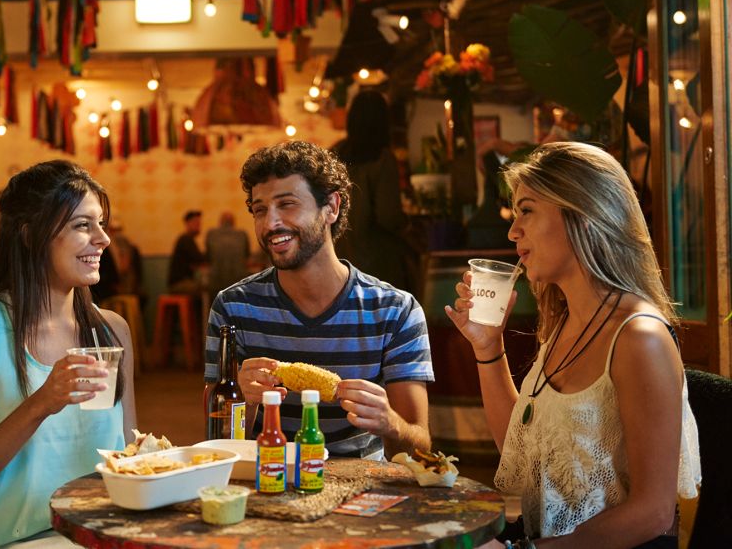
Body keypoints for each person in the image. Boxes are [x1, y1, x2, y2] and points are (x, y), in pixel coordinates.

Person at [444, 142, 700, 548]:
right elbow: (522, 444)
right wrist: (487, 347)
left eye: (526, 209)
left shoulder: (638, 339)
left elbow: (653, 512)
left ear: (582, 214)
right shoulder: (566, 323)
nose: (513, 230)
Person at [0, 160, 137, 548]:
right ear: (30, 236)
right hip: (5, 539)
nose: (103, 239)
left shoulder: (110, 330)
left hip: (93, 536)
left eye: (101, 223)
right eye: (82, 225)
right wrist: (42, 401)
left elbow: (128, 456)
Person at [205, 140, 433, 460]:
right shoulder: (232, 308)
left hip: (363, 486)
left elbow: (420, 449)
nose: (271, 224)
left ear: (332, 207)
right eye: (260, 210)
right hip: (267, 478)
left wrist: (391, 424)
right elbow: (217, 443)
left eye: (287, 204)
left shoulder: (396, 311)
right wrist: (247, 400)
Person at [331, 90, 413, 291]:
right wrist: (408, 227)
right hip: (377, 261)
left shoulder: (334, 153)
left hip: (338, 256)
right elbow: (388, 215)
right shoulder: (383, 159)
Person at [91, 216, 143, 305]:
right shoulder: (106, 246)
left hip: (119, 289)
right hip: (106, 290)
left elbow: (124, 268)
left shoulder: (122, 244)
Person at [205, 211, 250, 301]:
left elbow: (208, 257)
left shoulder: (211, 234)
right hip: (238, 281)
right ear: (233, 222)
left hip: (216, 282)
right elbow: (247, 256)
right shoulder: (242, 234)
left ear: (220, 222)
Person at [167, 210, 206, 295]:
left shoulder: (187, 239)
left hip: (180, 282)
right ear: (188, 223)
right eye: (196, 223)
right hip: (178, 284)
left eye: (199, 223)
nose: (199, 225)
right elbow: (199, 258)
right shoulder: (186, 239)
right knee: (205, 289)